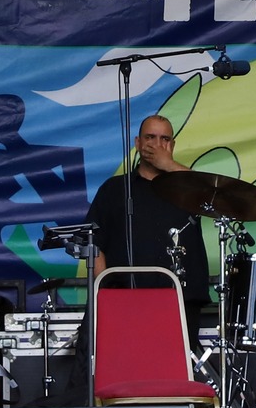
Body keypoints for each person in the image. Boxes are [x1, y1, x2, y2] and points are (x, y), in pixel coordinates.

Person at [84, 115, 211, 331]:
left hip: (180, 298)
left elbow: (214, 196)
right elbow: (93, 243)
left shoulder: (187, 188)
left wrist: (168, 165)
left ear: (172, 145)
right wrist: (105, 289)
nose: (157, 145)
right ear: (138, 143)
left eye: (164, 139)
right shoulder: (115, 189)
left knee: (177, 354)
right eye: (150, 137)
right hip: (124, 300)